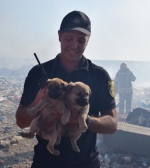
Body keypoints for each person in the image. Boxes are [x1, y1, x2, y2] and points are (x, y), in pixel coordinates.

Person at [15, 10, 117, 168]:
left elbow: (112, 124)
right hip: (45, 163)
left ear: (88, 41)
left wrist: (82, 120)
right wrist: (38, 101)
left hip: (86, 164)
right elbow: (21, 121)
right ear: (59, 36)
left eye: (81, 40)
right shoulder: (38, 72)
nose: (74, 45)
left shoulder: (101, 75)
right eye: (69, 38)